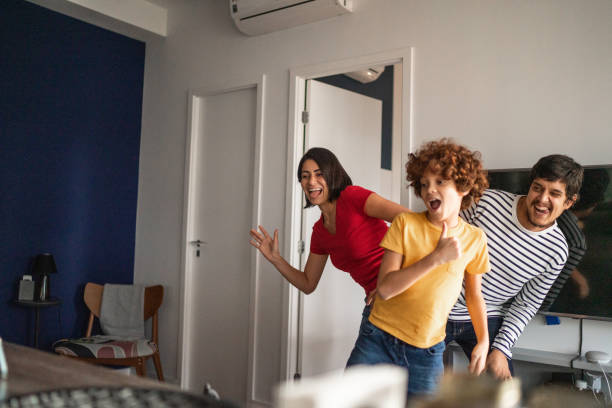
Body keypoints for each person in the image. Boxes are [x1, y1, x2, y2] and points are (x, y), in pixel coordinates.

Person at [346, 139, 490, 397]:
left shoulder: (475, 238)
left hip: (427, 351)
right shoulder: (405, 224)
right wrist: (436, 258)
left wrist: (484, 340)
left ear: (463, 187)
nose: (428, 190)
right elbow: (386, 289)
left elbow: (474, 295)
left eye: (439, 182)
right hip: (378, 337)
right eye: (423, 184)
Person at [249, 147, 409, 345]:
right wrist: (276, 259)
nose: (311, 182)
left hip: (405, 296)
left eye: (319, 174)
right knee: (360, 375)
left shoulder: (353, 197)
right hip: (377, 305)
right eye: (305, 176)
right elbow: (308, 283)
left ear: (333, 174)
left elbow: (409, 221)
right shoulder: (320, 232)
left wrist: (389, 282)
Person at [445, 154, 583, 380]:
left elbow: (527, 304)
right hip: (439, 303)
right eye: (538, 188)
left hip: (486, 315)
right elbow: (434, 234)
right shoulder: (486, 202)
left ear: (569, 202)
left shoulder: (557, 251)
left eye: (554, 193)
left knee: (505, 395)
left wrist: (501, 350)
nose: (542, 199)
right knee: (421, 386)